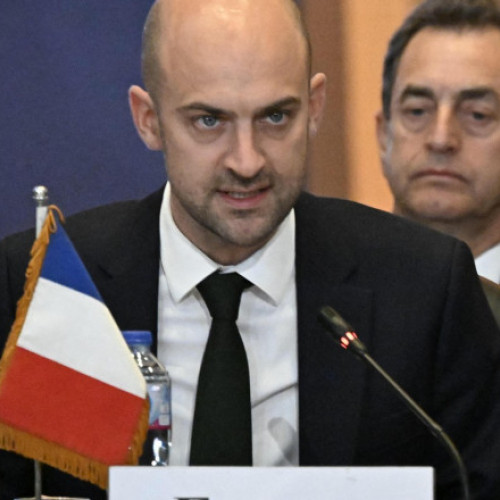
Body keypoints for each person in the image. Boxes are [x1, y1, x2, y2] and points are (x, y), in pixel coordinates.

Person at [1, 0, 499, 499]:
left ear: (315, 107)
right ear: (149, 120)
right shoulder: (45, 285)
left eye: (275, 116)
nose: (247, 161)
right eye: (209, 121)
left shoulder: (424, 288)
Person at [376, 0, 500, 325]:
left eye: (478, 115)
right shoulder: (320, 296)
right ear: (383, 134)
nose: (441, 138)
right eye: (417, 111)